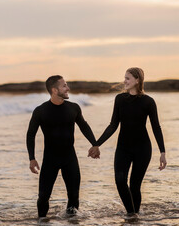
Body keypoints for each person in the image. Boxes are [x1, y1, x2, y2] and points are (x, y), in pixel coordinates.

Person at [88, 67, 167, 218]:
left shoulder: (148, 102)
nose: (124, 81)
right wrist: (97, 144)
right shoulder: (120, 99)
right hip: (123, 147)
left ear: (137, 80)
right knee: (119, 180)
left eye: (128, 78)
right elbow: (113, 125)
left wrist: (162, 152)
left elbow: (156, 127)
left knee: (135, 185)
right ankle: (132, 214)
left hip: (142, 149)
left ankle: (133, 217)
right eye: (124, 78)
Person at [26, 75, 98, 218]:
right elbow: (30, 135)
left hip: (69, 158)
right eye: (64, 86)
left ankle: (71, 221)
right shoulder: (40, 111)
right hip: (50, 159)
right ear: (54, 90)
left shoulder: (73, 108)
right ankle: (42, 221)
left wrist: (95, 144)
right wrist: (32, 158)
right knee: (43, 197)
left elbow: (84, 126)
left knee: (74, 196)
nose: (68, 88)